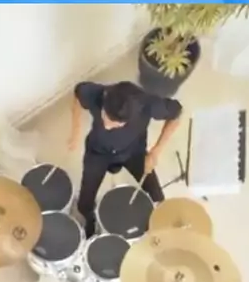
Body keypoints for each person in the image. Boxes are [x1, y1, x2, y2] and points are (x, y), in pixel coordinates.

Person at [68, 80, 183, 237]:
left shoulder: (148, 104)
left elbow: (177, 114)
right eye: (105, 117)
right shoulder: (97, 93)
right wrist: (76, 130)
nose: (107, 126)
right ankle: (90, 223)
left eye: (115, 124)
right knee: (84, 203)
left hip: (133, 152)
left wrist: (155, 151)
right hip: (98, 152)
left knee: (158, 198)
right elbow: (77, 93)